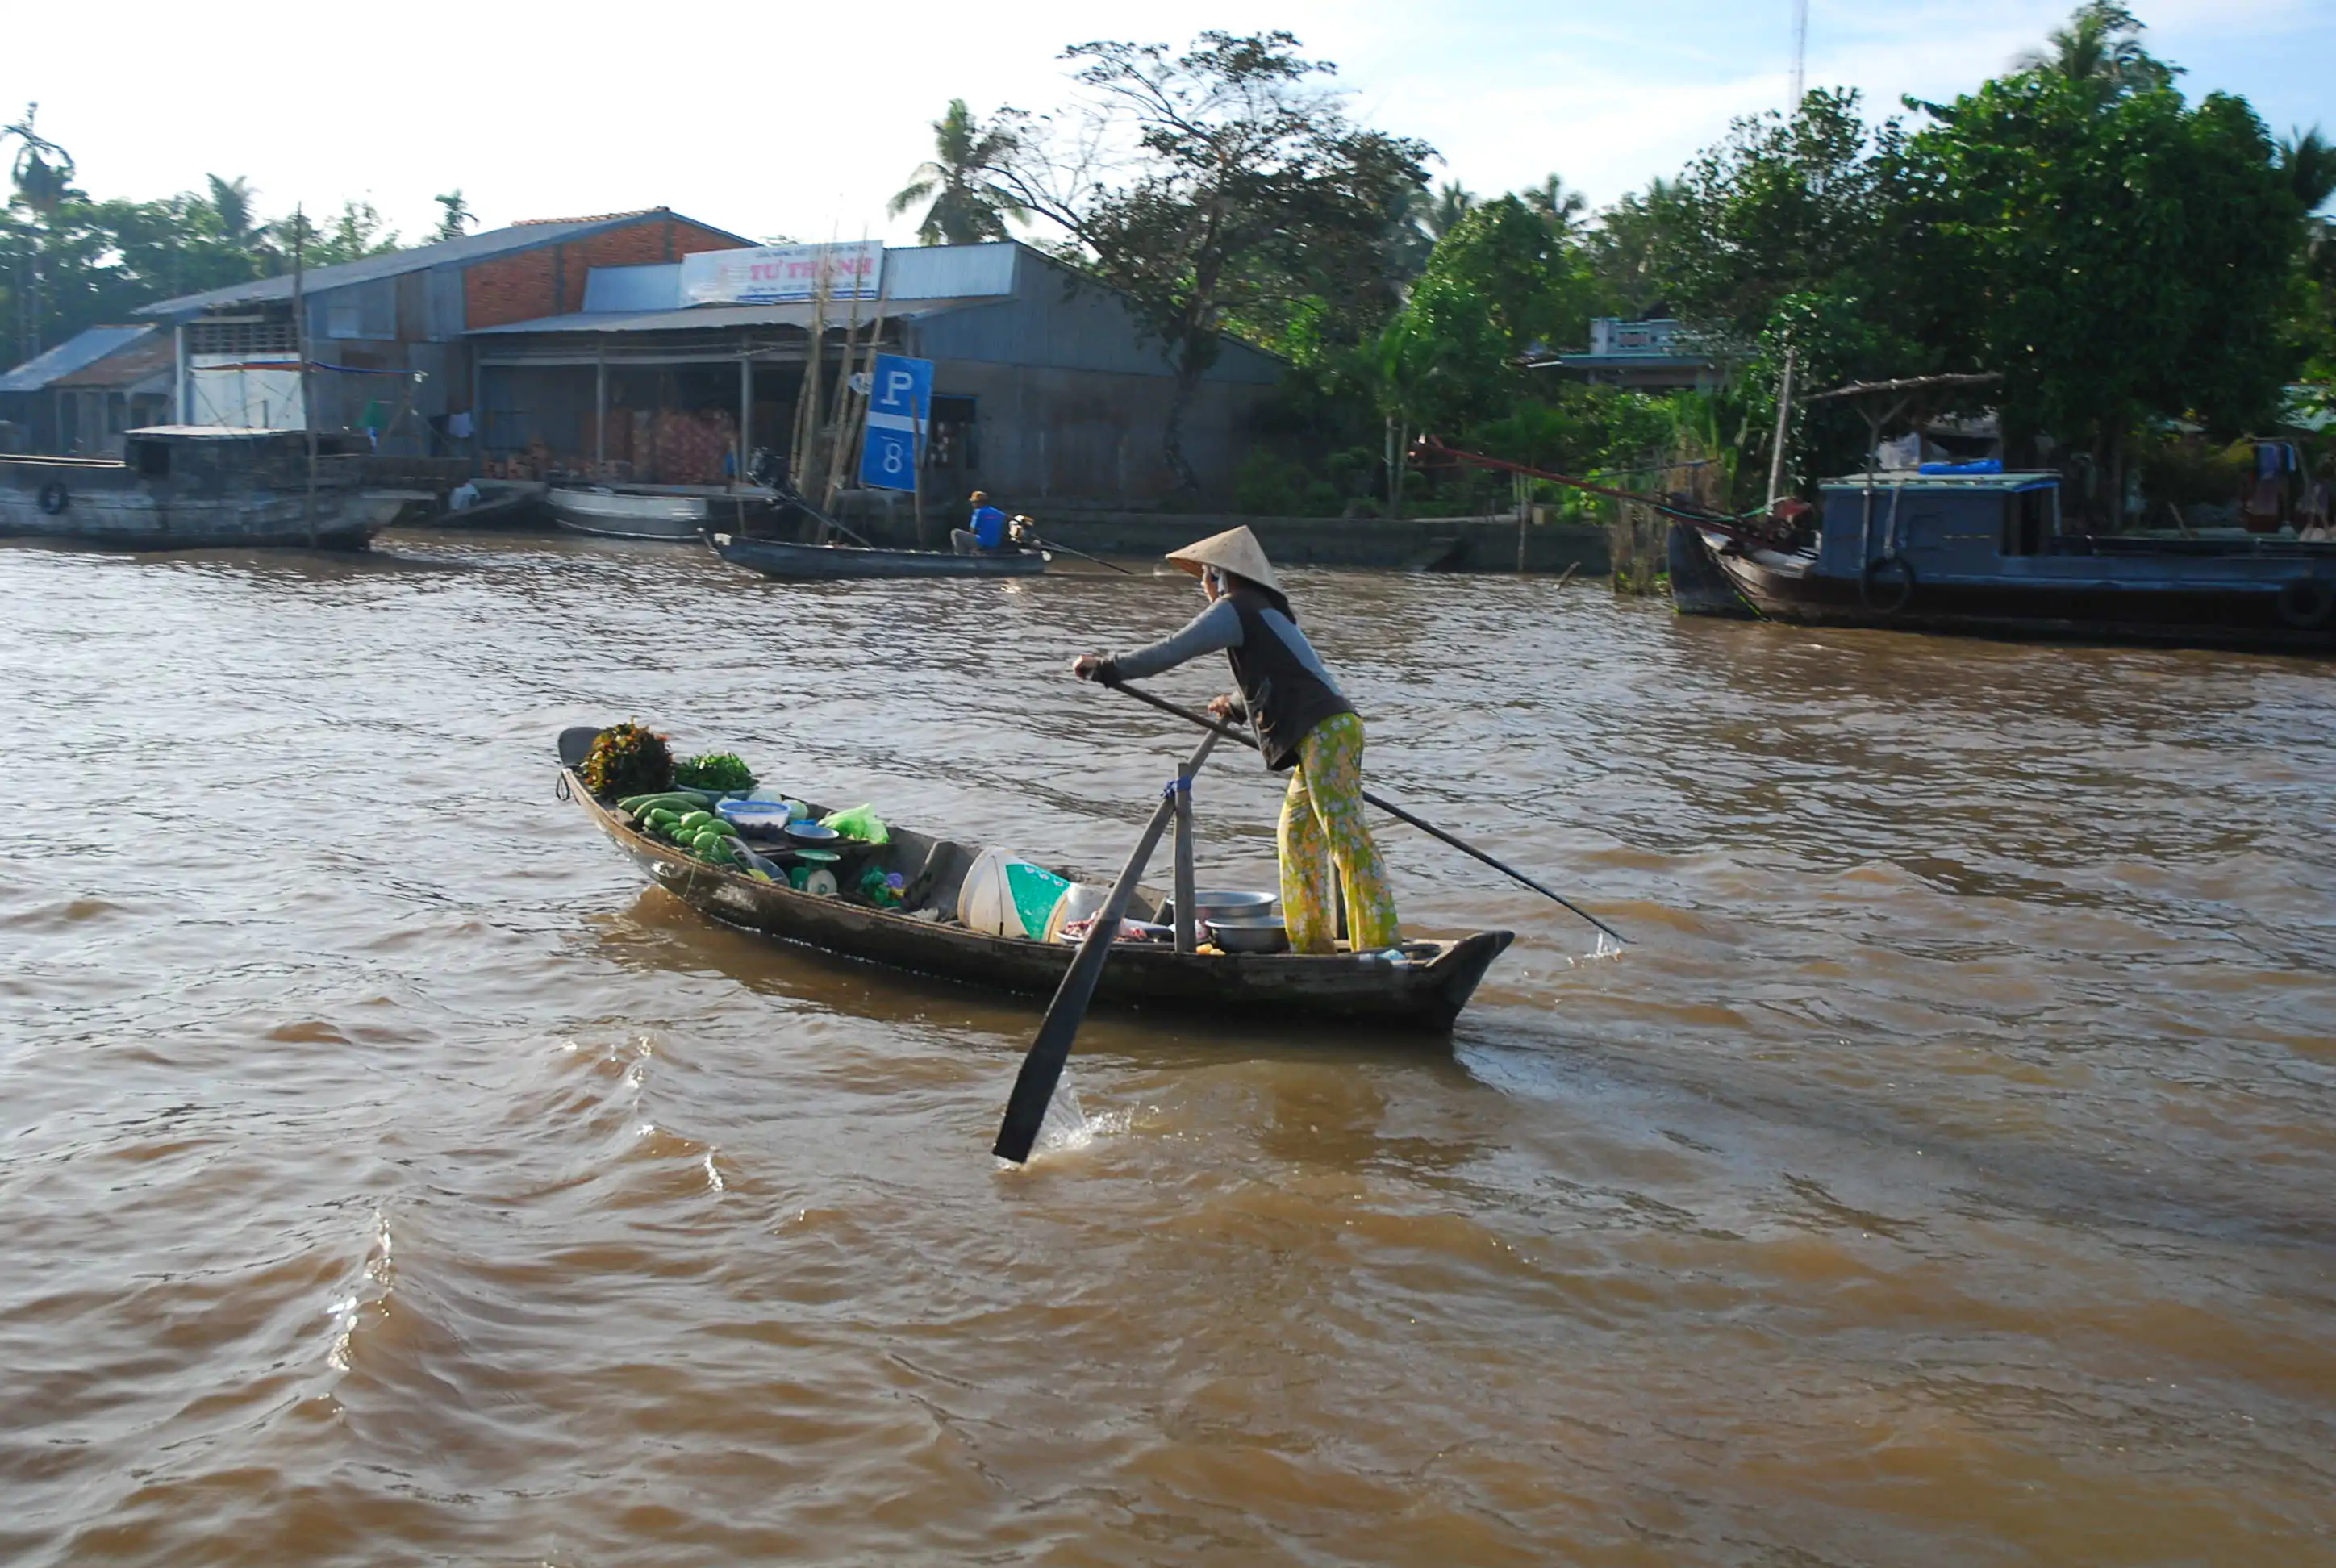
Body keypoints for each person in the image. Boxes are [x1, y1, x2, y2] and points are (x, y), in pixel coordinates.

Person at [1070, 526, 1399, 956]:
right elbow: (1284, 678)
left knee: (1347, 839)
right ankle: (1313, 947)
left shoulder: (1236, 607)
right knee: (1295, 837)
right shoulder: (1261, 611)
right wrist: (1236, 705)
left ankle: (1378, 949)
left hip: (1327, 732)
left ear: (1220, 576)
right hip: (1320, 733)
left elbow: (1173, 649)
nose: (1203, 589)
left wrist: (1108, 667)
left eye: (1205, 579)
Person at [953, 490, 1011, 554]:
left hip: (982, 543)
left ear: (979, 502)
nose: (972, 504)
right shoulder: (995, 511)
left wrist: (972, 546)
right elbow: (1008, 518)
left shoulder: (978, 512)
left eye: (974, 502)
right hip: (995, 544)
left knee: (955, 532)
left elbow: (972, 531)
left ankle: (961, 555)